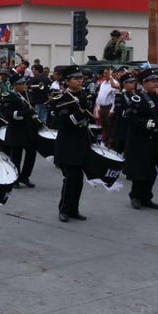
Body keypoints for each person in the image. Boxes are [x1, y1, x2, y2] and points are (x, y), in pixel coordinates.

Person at [53, 65, 93, 222]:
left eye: (81, 78)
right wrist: (79, 111)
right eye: (77, 78)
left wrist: (85, 109)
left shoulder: (82, 95)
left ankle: (74, 209)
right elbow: (66, 122)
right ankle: (64, 209)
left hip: (81, 142)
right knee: (70, 178)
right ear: (67, 81)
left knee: (78, 179)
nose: (80, 81)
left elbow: (88, 117)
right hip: (67, 144)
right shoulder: (61, 99)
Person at [124, 69, 158, 210]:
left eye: (157, 81)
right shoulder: (138, 98)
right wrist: (152, 124)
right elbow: (131, 118)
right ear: (144, 83)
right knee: (140, 170)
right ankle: (135, 196)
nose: (156, 84)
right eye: (153, 81)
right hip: (140, 140)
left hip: (154, 139)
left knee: (151, 171)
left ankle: (147, 197)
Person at [0, 73, 39, 188]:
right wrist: (25, 113)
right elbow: (8, 114)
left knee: (31, 153)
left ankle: (25, 176)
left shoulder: (28, 95)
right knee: (16, 155)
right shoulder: (9, 96)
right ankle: (14, 178)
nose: (24, 85)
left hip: (29, 129)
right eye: (21, 84)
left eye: (24, 83)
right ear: (15, 85)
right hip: (17, 129)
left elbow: (32, 108)